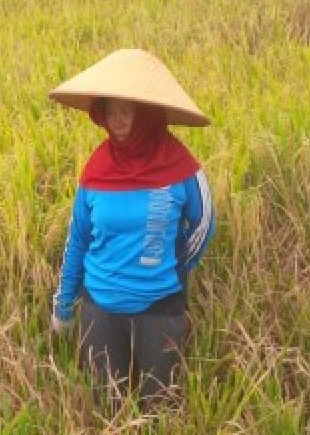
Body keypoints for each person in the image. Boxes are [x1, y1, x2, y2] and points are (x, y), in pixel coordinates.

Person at [49, 49, 215, 407]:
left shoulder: (180, 166)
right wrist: (63, 305)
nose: (119, 120)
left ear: (147, 114)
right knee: (106, 409)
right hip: (101, 309)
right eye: (111, 111)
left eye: (127, 110)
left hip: (160, 309)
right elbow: (77, 240)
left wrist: (172, 268)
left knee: (162, 411)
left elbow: (203, 225)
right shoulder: (96, 169)